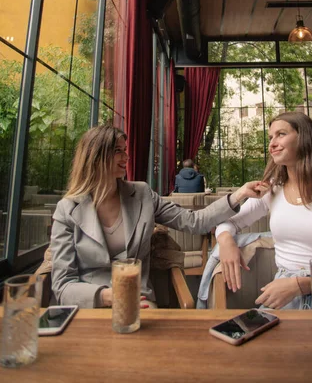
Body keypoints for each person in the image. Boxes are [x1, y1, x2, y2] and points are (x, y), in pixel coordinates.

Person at [50, 126, 240, 309]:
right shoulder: (66, 210)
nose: (126, 156)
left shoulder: (142, 194)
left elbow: (194, 221)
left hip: (139, 301)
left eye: (125, 150)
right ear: (96, 156)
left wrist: (239, 196)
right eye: (118, 151)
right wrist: (106, 296)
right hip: (88, 306)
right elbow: (63, 284)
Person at [216, 112, 312, 310]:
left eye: (281, 134)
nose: (272, 144)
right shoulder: (271, 191)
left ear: (304, 138)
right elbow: (228, 222)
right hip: (283, 295)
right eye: (270, 137)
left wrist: (300, 285)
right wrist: (226, 242)